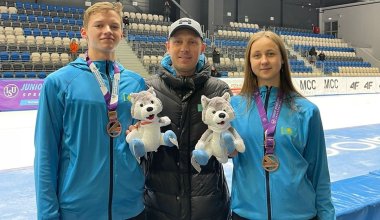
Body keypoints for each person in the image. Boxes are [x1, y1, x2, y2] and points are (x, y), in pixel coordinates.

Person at [34, 2, 146, 220]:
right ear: (84, 32)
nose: (107, 31)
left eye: (114, 26)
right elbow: (46, 153)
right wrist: (47, 214)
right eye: (99, 25)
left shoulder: (136, 83)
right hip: (78, 210)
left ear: (122, 34)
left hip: (132, 208)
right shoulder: (58, 83)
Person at [230, 31, 335, 220]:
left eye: (270, 53)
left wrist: (327, 216)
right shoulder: (234, 108)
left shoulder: (306, 111)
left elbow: (319, 173)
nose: (264, 61)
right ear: (249, 62)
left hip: (298, 215)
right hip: (246, 214)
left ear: (283, 59)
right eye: (257, 55)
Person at [142, 17, 231, 219]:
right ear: (168, 46)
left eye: (192, 42)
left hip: (209, 208)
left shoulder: (218, 90)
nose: (185, 48)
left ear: (202, 48)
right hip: (160, 208)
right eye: (178, 42)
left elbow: (228, 146)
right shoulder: (149, 89)